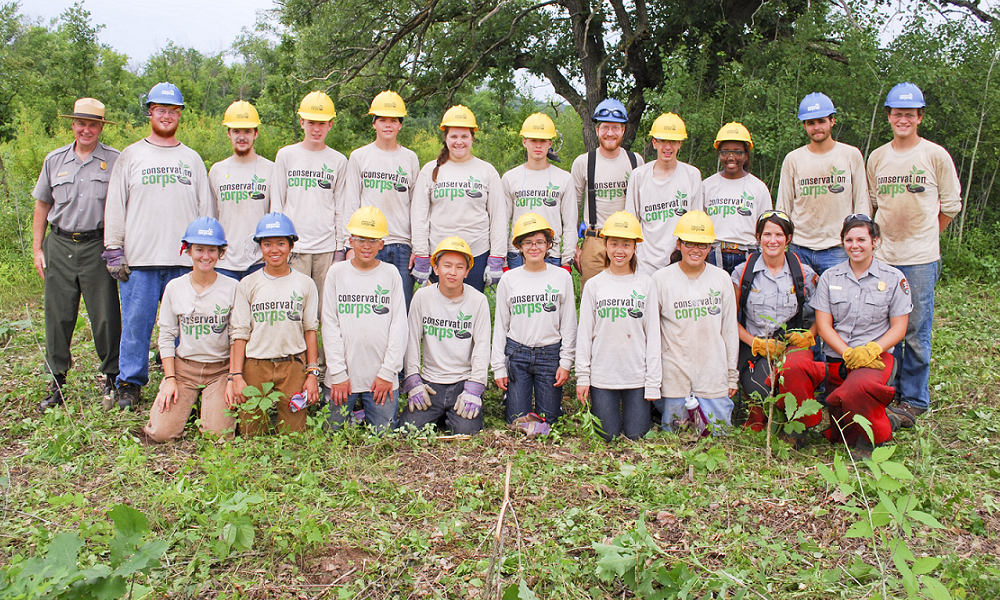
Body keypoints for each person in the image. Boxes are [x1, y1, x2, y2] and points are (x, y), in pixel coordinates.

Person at [104, 82, 213, 410]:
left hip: (183, 263)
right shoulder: (131, 156)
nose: (167, 116)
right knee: (136, 324)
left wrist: (205, 253)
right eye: (160, 110)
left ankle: (185, 382)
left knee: (187, 326)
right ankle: (130, 384)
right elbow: (115, 204)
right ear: (150, 112)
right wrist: (113, 247)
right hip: (140, 259)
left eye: (173, 111)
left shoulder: (191, 159)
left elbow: (204, 210)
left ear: (180, 114)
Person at [867, 82, 961, 430]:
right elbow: (874, 204)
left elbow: (951, 205)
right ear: (889, 117)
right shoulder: (877, 157)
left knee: (916, 330)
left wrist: (927, 237)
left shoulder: (934, 155)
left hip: (920, 258)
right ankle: (886, 392)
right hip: (885, 256)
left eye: (909, 113)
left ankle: (915, 399)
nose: (902, 119)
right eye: (897, 113)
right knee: (884, 328)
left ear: (919, 117)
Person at [791, 214, 912, 452]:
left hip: (876, 360)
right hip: (839, 359)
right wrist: (847, 353)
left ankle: (875, 438)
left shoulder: (893, 278)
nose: (855, 245)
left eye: (861, 239)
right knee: (842, 432)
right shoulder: (829, 277)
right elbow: (823, 325)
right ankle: (887, 417)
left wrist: (873, 349)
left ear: (874, 241)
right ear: (842, 242)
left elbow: (900, 326)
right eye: (849, 239)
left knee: (856, 392)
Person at [32, 98, 122, 412]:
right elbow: (42, 204)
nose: (87, 129)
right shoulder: (55, 160)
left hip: (97, 245)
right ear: (73, 125)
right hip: (58, 244)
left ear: (101, 127)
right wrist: (37, 248)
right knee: (58, 315)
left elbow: (123, 205)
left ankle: (112, 377)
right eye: (81, 123)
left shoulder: (115, 160)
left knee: (105, 314)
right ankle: (57, 380)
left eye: (93, 124)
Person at [142, 217, 238, 442]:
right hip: (184, 369)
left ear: (220, 252)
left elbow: (236, 337)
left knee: (218, 436)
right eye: (199, 249)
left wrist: (233, 378)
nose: (206, 256)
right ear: (188, 250)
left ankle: (207, 405)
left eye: (212, 250)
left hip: (220, 370)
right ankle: (187, 401)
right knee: (161, 433)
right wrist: (170, 379)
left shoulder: (232, 288)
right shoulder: (175, 288)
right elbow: (166, 336)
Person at [731, 211, 821, 443]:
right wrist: (756, 343)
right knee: (761, 392)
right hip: (756, 346)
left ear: (788, 238)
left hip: (791, 344)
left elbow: (823, 313)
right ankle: (761, 416)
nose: (773, 240)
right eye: (767, 234)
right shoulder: (743, 274)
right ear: (758, 237)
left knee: (796, 370)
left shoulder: (804, 274)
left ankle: (798, 426)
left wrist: (809, 336)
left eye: (779, 234)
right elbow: (729, 318)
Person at [228, 213, 321, 435]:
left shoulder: (305, 284)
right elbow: (240, 333)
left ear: (291, 246)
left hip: (292, 365)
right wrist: (236, 376)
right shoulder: (248, 284)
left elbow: (310, 330)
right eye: (267, 244)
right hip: (256, 366)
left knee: (293, 435)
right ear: (260, 247)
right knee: (251, 433)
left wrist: (312, 373)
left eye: (281, 243)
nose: (274, 250)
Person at [576, 211, 661, 441]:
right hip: (603, 376)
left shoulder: (646, 284)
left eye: (626, 244)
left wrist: (653, 383)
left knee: (637, 435)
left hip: (636, 377)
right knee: (607, 436)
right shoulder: (595, 286)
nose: (619, 250)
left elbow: (653, 335)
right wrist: (583, 377)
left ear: (635, 247)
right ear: (605, 244)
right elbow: (584, 334)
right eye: (614, 244)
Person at [322, 207, 407, 434]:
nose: (366, 246)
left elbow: (399, 326)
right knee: (332, 436)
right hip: (343, 378)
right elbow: (329, 324)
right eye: (360, 239)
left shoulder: (390, 274)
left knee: (383, 437)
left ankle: (362, 414)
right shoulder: (336, 273)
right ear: (351, 241)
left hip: (380, 379)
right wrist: (338, 374)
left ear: (382, 243)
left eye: (372, 240)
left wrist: (388, 373)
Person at [653, 211, 738, 433]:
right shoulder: (661, 280)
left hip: (713, 376)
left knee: (717, 436)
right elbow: (652, 335)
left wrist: (731, 377)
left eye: (702, 245)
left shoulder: (721, 279)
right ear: (679, 244)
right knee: (677, 437)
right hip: (675, 378)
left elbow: (729, 331)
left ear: (710, 247)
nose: (696, 250)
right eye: (690, 243)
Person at [491, 213, 576, 436]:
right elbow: (500, 325)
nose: (534, 247)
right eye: (527, 242)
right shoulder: (509, 279)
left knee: (550, 423)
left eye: (539, 242)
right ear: (519, 246)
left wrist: (565, 362)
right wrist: (498, 366)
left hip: (549, 354)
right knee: (517, 423)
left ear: (548, 245)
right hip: (518, 354)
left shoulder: (561, 277)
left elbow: (568, 323)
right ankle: (514, 398)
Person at [400, 237, 491, 435]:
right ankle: (439, 412)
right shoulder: (422, 297)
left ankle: (450, 414)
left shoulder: (478, 301)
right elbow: (412, 341)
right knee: (407, 430)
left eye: (460, 267)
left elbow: (482, 347)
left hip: (462, 382)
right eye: (447, 265)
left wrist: (474, 389)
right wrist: (414, 381)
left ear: (467, 272)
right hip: (431, 383)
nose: (452, 272)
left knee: (467, 432)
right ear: (436, 268)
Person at [410, 105, 506, 293]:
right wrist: (421, 253)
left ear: (472, 138)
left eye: (464, 136)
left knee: (470, 311)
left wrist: (497, 257)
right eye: (453, 136)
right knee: (440, 313)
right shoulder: (430, 170)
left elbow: (498, 217)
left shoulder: (486, 171)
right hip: (439, 254)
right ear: (445, 138)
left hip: (476, 254)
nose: (459, 142)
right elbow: (419, 215)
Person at [342, 91, 421, 310]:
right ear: (374, 124)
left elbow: (416, 205)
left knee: (399, 308)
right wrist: (349, 244)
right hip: (368, 243)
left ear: (400, 125)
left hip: (402, 245)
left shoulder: (410, 158)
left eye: (393, 120)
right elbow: (351, 202)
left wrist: (417, 245)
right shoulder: (359, 156)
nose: (388, 125)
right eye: (382, 119)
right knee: (367, 306)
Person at [777, 93, 870, 275]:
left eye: (821, 121)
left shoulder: (850, 155)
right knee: (801, 302)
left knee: (838, 301)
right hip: (800, 247)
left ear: (832, 121)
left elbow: (861, 200)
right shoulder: (793, 159)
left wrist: (860, 239)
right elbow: (783, 205)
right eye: (810, 123)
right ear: (804, 125)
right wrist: (782, 241)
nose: (817, 127)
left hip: (838, 247)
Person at [270, 91, 348, 307]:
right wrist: (279, 242)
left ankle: (322, 344)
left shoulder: (338, 161)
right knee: (294, 308)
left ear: (330, 125)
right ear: (302, 121)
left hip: (326, 248)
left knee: (326, 310)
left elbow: (340, 207)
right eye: (312, 122)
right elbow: (277, 202)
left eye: (322, 123)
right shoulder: (286, 155)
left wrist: (340, 248)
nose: (316, 129)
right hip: (295, 247)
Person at [571, 99, 644, 286]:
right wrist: (574, 249)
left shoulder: (636, 161)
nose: (609, 133)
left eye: (615, 128)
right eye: (604, 127)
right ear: (597, 130)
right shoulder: (583, 162)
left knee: (627, 298)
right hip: (595, 240)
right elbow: (572, 209)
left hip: (626, 242)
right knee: (593, 300)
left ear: (623, 130)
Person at [625, 113, 702, 276]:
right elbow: (632, 223)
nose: (668, 147)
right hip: (645, 264)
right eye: (663, 141)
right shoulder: (639, 175)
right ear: (654, 142)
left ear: (680, 144)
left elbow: (696, 223)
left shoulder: (692, 175)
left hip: (680, 263)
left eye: (673, 141)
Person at [502, 113, 576, 272]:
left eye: (543, 141)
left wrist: (567, 260)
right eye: (533, 140)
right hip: (517, 254)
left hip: (551, 254)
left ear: (550, 143)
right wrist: (502, 260)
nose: (538, 145)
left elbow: (570, 224)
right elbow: (503, 222)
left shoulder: (564, 178)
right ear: (524, 142)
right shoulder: (510, 178)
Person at [210, 100, 274, 281]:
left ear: (256, 133)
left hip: (259, 262)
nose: (242, 136)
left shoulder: (270, 169)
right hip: (224, 263)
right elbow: (212, 216)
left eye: (247, 131)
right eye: (236, 131)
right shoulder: (217, 171)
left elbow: (274, 214)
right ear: (228, 133)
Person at [700, 122, 772, 274]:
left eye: (737, 152)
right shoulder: (707, 186)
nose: (731, 157)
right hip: (714, 253)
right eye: (725, 152)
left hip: (748, 253)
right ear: (719, 154)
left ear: (746, 155)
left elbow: (767, 227)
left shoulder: (758, 188)